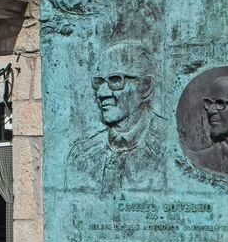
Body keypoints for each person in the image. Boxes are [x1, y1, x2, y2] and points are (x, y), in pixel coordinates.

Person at [66, 41, 164, 194]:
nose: (102, 93)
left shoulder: (170, 149)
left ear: (145, 87)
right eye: (99, 83)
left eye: (115, 80)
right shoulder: (82, 156)